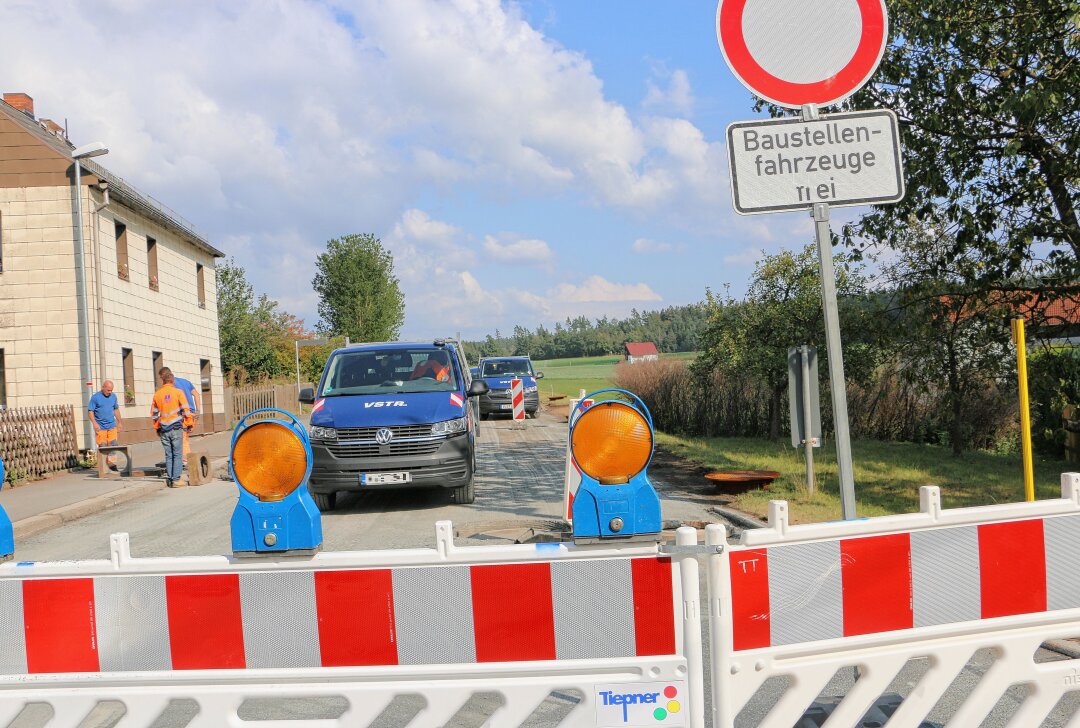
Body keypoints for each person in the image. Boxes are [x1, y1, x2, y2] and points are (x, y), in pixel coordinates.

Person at [151, 367, 193, 488]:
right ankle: (176, 479)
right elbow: (186, 409)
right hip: (176, 428)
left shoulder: (157, 394)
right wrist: (189, 424)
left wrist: (157, 428)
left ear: (163, 381)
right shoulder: (178, 392)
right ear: (173, 381)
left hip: (164, 429)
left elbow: (154, 414)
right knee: (177, 454)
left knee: (168, 455)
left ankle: (170, 479)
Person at [173, 375, 202, 468]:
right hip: (192, 414)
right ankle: (186, 460)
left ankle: (186, 461)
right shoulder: (186, 381)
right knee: (185, 437)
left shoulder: (172, 385)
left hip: (183, 415)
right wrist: (198, 411)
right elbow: (196, 395)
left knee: (182, 438)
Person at [87, 380, 122, 449]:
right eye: (108, 390)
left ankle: (112, 460)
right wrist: (94, 423)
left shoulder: (113, 396)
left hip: (112, 426)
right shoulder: (95, 397)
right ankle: (103, 460)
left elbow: (116, 409)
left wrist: (120, 422)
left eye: (111, 390)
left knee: (113, 446)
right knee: (103, 447)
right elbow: (90, 411)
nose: (110, 392)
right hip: (100, 427)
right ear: (103, 387)